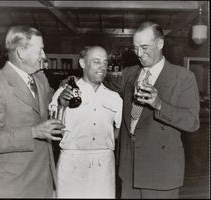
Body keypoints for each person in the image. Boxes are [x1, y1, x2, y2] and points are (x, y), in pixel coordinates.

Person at [105, 21, 200, 198]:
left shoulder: (183, 77)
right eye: (135, 48)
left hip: (161, 171)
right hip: (129, 170)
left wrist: (159, 105)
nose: (139, 54)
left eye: (145, 47)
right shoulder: (129, 73)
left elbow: (192, 122)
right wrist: (74, 81)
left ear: (160, 44)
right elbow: (105, 81)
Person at [0, 25, 65, 198]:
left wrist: (61, 101)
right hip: (12, 185)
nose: (44, 56)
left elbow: (42, 108)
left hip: (43, 179)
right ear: (21, 52)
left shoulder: (40, 78)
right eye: (40, 51)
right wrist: (33, 132)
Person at [49, 46, 123, 198]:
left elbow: (118, 132)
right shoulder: (65, 92)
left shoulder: (114, 98)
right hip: (72, 164)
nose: (102, 67)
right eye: (96, 61)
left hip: (103, 166)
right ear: (82, 63)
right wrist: (62, 104)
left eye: (105, 62)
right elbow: (52, 129)